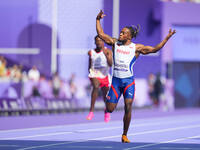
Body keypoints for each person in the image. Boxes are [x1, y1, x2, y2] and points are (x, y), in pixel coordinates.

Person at [96, 10, 176, 142]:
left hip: (128, 83)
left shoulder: (136, 48)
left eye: (123, 32)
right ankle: (108, 101)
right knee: (109, 109)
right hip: (116, 82)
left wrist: (166, 38)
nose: (120, 34)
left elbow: (155, 49)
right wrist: (97, 20)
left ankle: (124, 134)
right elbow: (101, 34)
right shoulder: (115, 43)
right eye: (120, 32)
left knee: (128, 106)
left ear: (129, 36)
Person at [86, 35, 113, 122]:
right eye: (97, 41)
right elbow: (89, 64)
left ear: (103, 42)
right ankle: (91, 111)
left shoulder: (108, 51)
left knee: (105, 96)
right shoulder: (91, 52)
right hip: (94, 74)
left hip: (104, 75)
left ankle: (106, 111)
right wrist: (90, 73)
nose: (99, 42)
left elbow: (110, 64)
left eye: (100, 40)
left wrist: (106, 55)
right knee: (96, 86)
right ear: (95, 42)